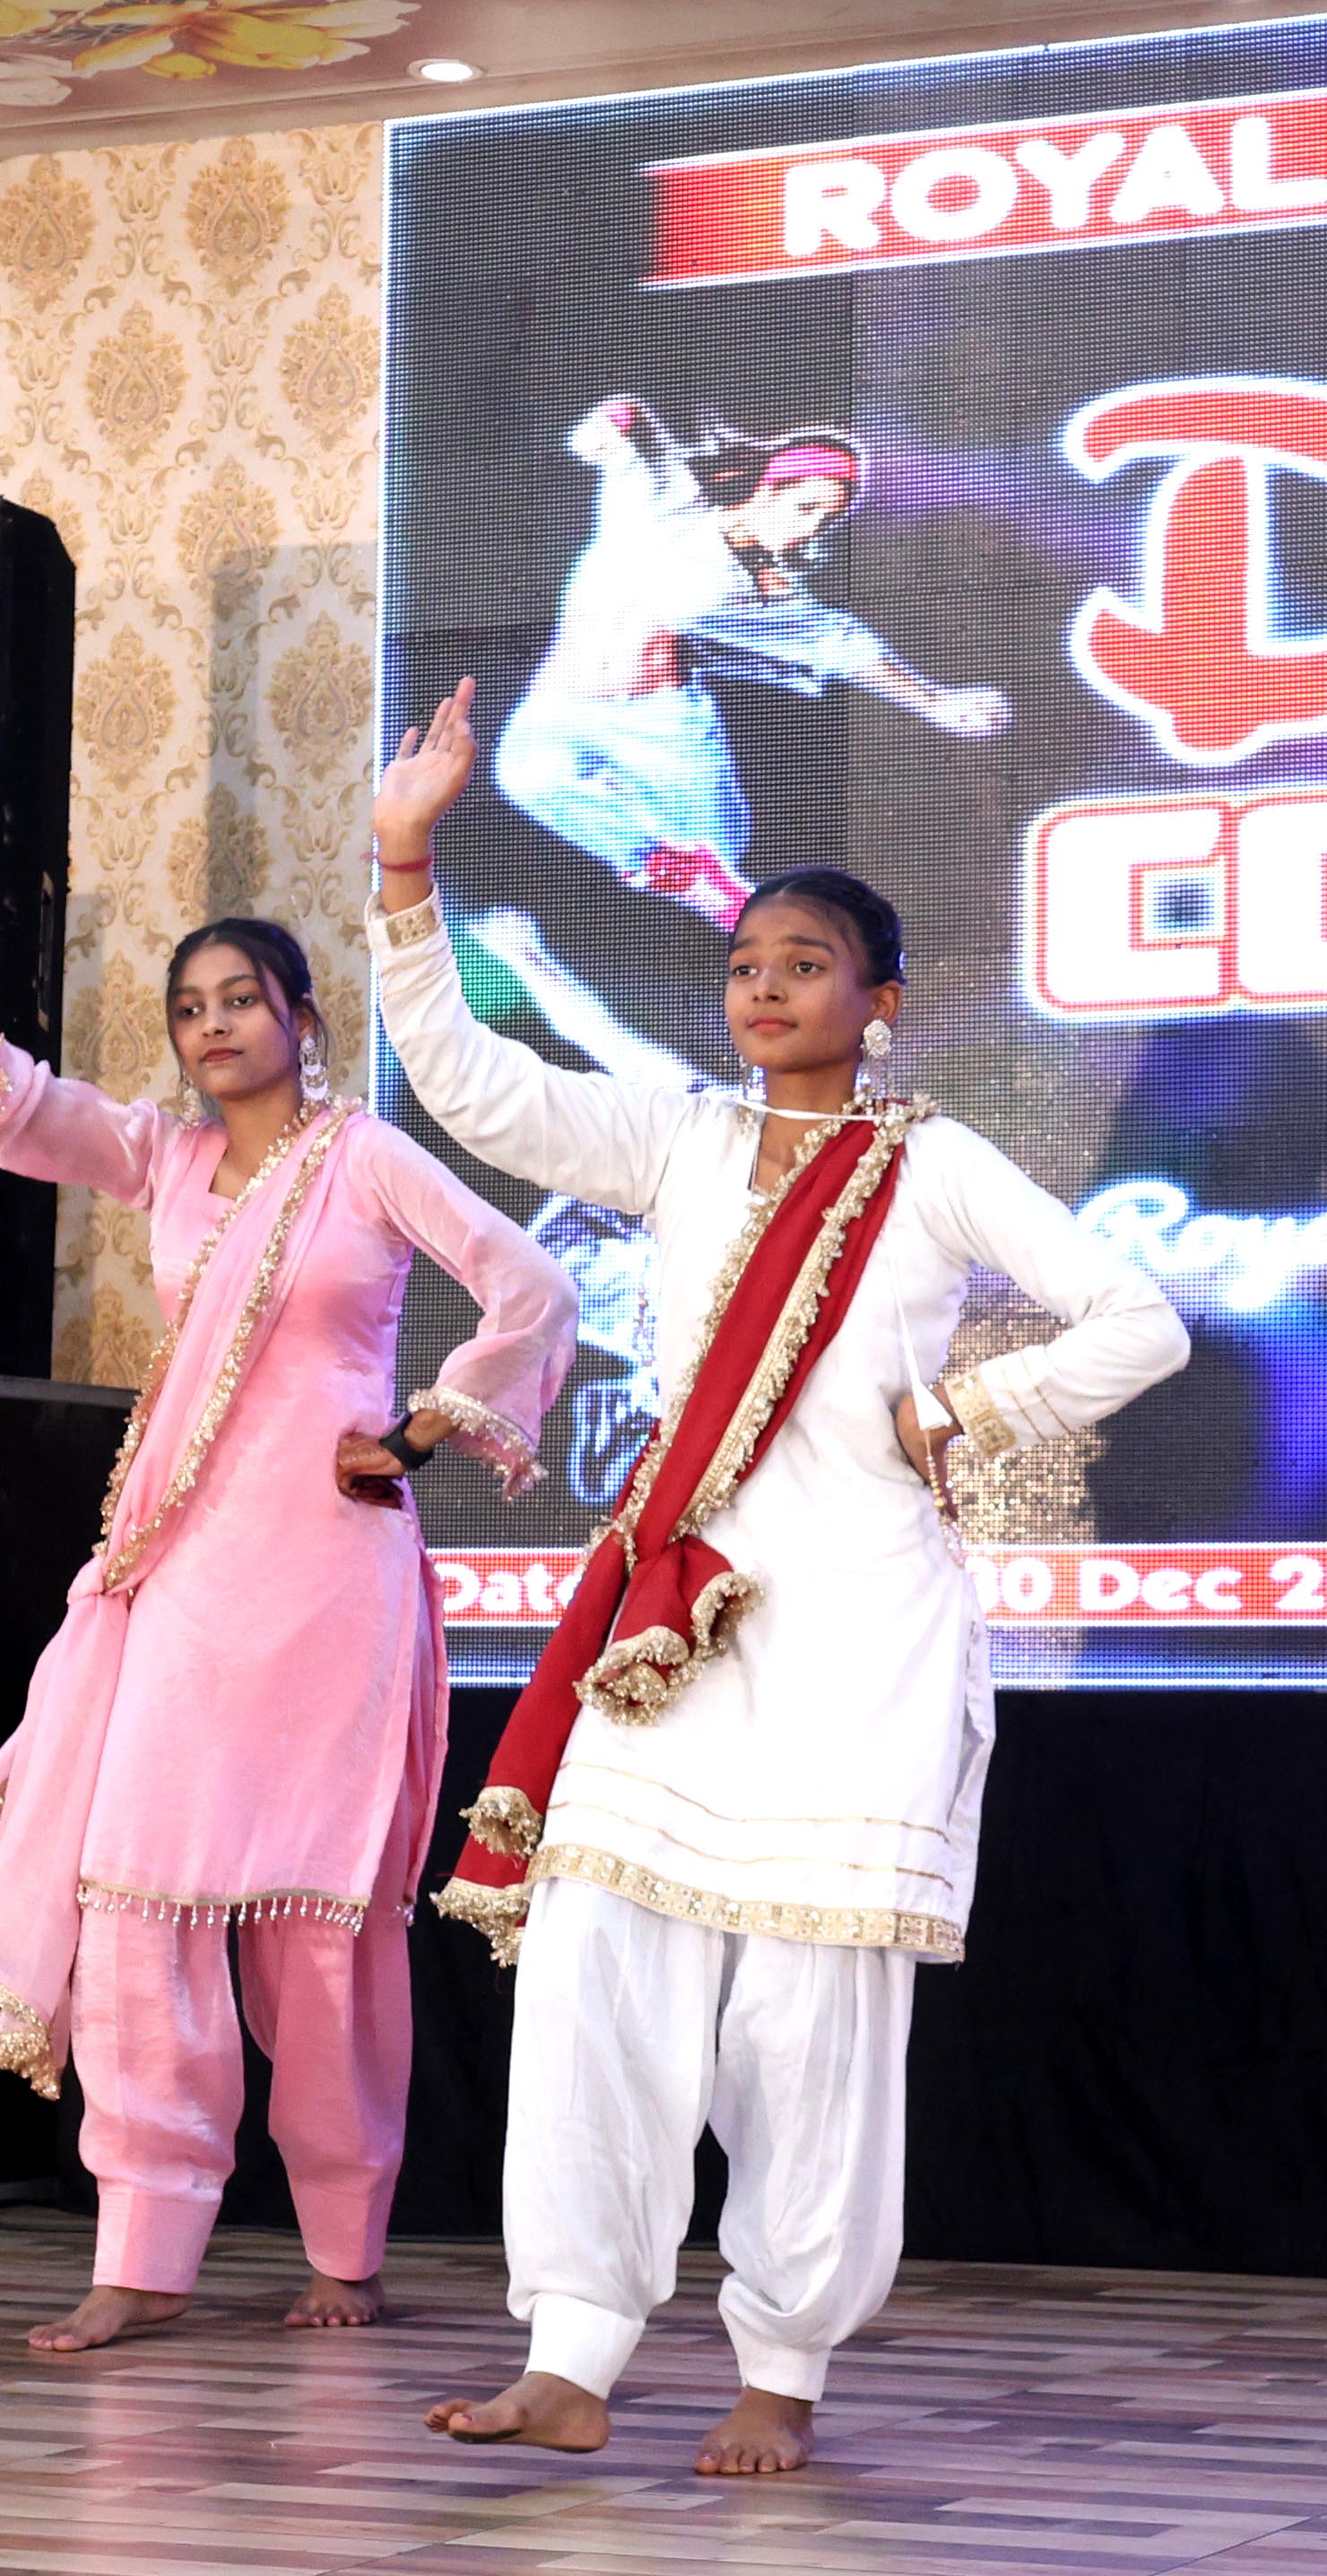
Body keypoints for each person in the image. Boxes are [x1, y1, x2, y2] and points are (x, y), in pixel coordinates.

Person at [367, 679, 1190, 2476]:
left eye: (806, 963)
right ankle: (572, 2348)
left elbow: (1140, 1319)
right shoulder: (679, 1140)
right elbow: (474, 1084)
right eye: (747, 962)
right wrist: (408, 860)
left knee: (811, 2018)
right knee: (595, 1973)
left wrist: (962, 1408)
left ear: (880, 1002)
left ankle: (783, 2366)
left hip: (858, 1635)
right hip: (676, 1633)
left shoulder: (937, 1164)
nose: (764, 987)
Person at [0, 782, 576, 2356]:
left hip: (328, 1582)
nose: (211, 1027)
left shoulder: (366, 1157)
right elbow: (2, 1098)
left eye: (239, 999)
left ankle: (343, 2243)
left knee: (319, 1922)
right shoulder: (166, 1160)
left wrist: (426, 1426)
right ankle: (141, 2255)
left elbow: (529, 1282)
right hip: (184, 1580)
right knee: (139, 1901)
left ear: (302, 1017)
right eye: (189, 1008)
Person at [498, 399, 1011, 929]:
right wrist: (606, 428)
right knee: (526, 774)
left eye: (826, 521)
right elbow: (636, 427)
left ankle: (701, 880)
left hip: (661, 721)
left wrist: (936, 702)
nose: (810, 530)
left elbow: (843, 644)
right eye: (806, 508)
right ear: (768, 489)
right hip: (560, 706)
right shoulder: (669, 500)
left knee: (719, 845)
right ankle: (656, 855)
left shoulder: (762, 586)